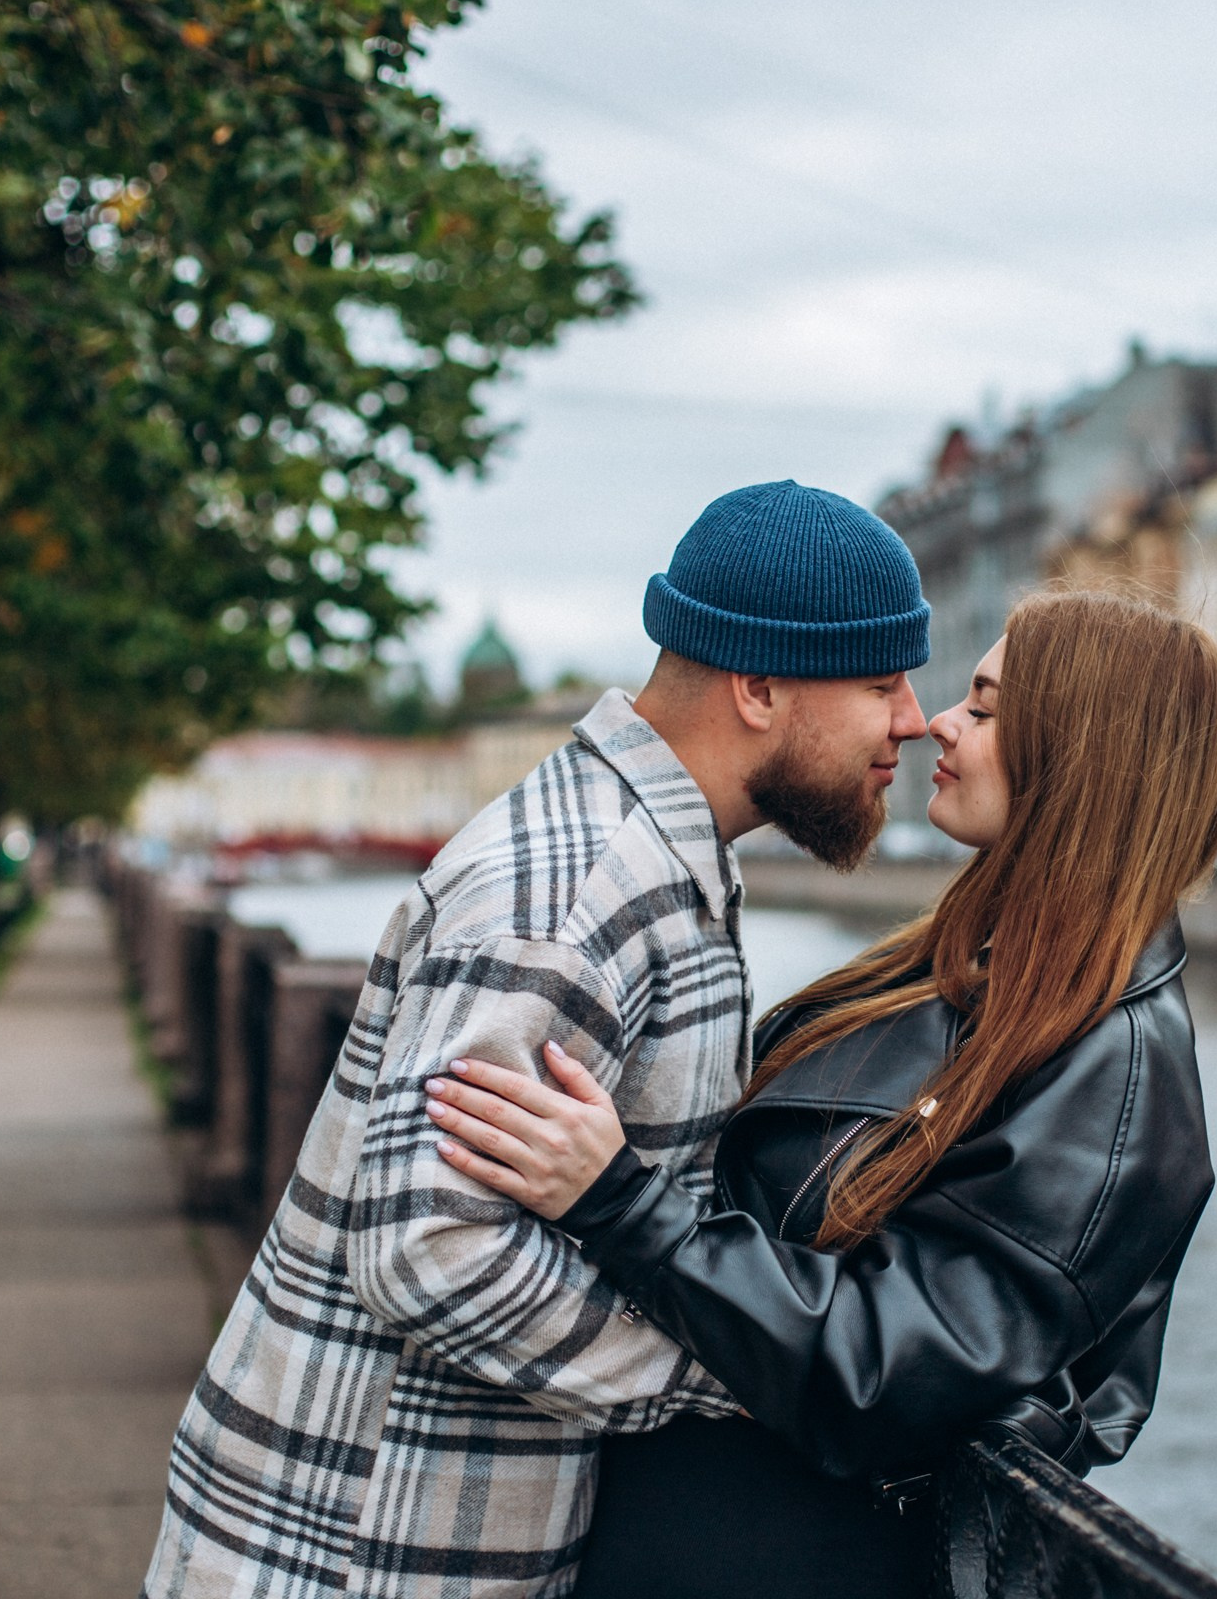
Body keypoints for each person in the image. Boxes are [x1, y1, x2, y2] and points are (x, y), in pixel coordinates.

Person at [142, 480, 931, 1599]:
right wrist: (736, 1377)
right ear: (760, 686)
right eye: (881, 681)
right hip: (354, 1551)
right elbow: (430, 1248)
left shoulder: (651, 858)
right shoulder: (571, 890)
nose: (914, 718)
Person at [425, 587, 1217, 1599]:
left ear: (1082, 758)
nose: (936, 719)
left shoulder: (1117, 1070)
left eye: (983, 711)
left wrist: (617, 1200)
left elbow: (896, 1369)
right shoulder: (951, 965)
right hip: (697, 1535)